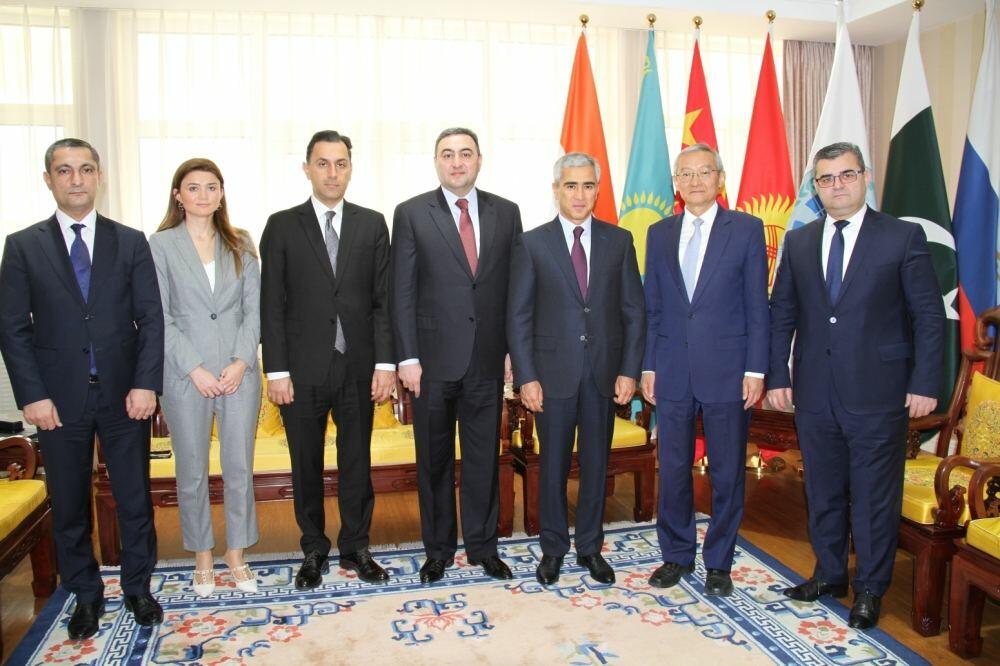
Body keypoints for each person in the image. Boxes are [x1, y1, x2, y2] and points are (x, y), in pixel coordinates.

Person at [768, 141, 945, 629]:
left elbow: (928, 316)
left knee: (872, 497)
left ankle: (869, 588)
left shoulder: (901, 237)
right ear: (816, 188)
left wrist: (925, 381)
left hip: (880, 390)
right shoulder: (800, 242)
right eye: (826, 179)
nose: (837, 186)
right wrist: (778, 374)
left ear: (865, 177)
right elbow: (782, 313)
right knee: (822, 490)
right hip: (814, 391)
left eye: (846, 175)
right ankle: (829, 574)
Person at [0, 138, 164, 639]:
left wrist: (145, 384)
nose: (77, 179)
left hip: (124, 396)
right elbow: (13, 328)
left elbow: (151, 318)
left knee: (134, 499)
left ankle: (137, 588)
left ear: (99, 177)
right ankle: (86, 595)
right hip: (57, 400)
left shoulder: (130, 241)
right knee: (70, 505)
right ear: (48, 179)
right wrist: (32, 395)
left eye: (86, 169)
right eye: (65, 170)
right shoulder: (22, 245)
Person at [260, 131, 394, 589]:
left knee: (357, 462)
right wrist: (276, 370)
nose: (332, 173)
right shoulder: (282, 225)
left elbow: (382, 301)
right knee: (306, 464)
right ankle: (314, 549)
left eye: (340, 163)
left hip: (358, 367)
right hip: (301, 371)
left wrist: (385, 364)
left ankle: (356, 547)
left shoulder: (372, 224)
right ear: (307, 169)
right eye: (323, 163)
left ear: (350, 168)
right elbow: (271, 304)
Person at [391, 127, 522, 584]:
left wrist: (512, 350)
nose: (457, 162)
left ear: (479, 160)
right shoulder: (411, 213)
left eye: (465, 153)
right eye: (447, 154)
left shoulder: (507, 212)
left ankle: (484, 548)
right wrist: (407, 357)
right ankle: (438, 550)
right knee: (434, 461)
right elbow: (401, 291)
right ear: (436, 162)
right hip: (430, 363)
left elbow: (515, 290)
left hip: (487, 359)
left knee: (485, 459)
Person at [507, 152, 645, 586]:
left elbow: (633, 311)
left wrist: (629, 370)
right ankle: (552, 549)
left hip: (604, 374)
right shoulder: (532, 243)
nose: (579, 194)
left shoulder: (619, 240)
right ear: (556, 190)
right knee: (552, 466)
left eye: (587, 185)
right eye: (571, 186)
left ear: (597, 190)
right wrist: (526, 376)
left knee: (596, 464)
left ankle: (590, 547)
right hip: (551, 376)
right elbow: (518, 316)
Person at [639, 143, 769, 597]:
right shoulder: (659, 233)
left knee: (727, 472)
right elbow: (654, 307)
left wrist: (756, 370)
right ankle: (676, 555)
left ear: (720, 179)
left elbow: (758, 306)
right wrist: (649, 365)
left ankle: (719, 562)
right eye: (686, 174)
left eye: (704, 172)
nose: (695, 181)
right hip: (672, 368)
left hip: (729, 371)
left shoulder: (746, 230)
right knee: (673, 468)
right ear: (676, 183)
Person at [149, 158, 261, 597]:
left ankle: (236, 553)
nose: (203, 195)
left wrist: (241, 362)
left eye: (211, 187)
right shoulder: (160, 245)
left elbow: (253, 310)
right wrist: (194, 368)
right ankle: (202, 555)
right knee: (192, 470)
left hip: (238, 374)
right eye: (193, 187)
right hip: (185, 376)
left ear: (221, 193)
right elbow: (159, 316)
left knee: (239, 467)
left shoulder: (240, 242)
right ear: (178, 195)